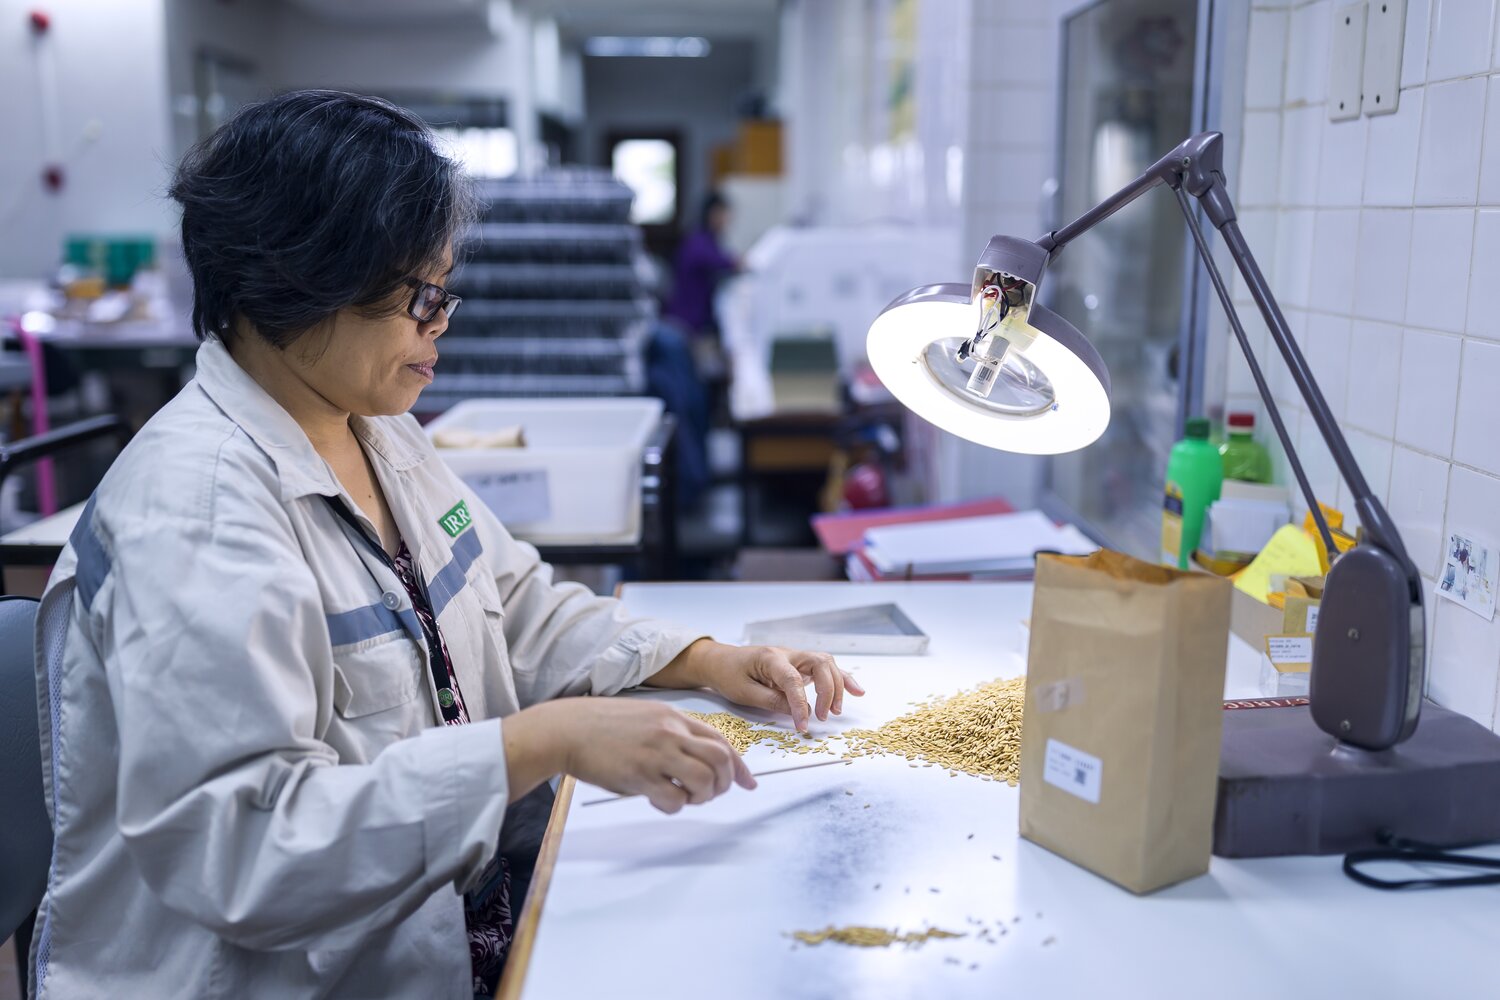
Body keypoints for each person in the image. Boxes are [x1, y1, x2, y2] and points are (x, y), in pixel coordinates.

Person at [29, 91, 862, 1000]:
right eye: (419, 297)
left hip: (440, 921)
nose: (443, 323)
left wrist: (704, 658)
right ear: (303, 278)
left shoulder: (375, 430)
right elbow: (246, 847)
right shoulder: (199, 512)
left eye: (445, 292)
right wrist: (536, 744)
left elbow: (516, 606)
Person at [663, 190, 740, 342]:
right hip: (686, 319)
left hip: (692, 319)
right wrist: (740, 263)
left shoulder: (707, 240)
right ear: (713, 214)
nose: (727, 220)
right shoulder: (698, 241)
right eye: (724, 214)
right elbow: (721, 261)